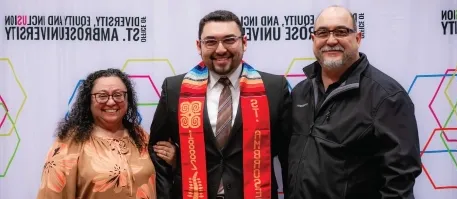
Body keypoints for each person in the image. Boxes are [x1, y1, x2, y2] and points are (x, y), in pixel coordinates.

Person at [148, 10, 291, 199]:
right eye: (211, 42)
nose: (221, 49)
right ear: (199, 46)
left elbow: (289, 154)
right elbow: (158, 149)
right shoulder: (175, 88)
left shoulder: (274, 88)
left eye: (229, 40)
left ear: (244, 42)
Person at [287, 5, 422, 199]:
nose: (331, 40)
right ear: (313, 39)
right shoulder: (301, 92)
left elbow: (399, 182)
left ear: (357, 39)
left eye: (341, 32)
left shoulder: (387, 96)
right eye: (323, 32)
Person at [36, 68, 176, 199]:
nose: (111, 101)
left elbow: (162, 180)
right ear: (88, 101)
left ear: (128, 99)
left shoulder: (140, 136)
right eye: (102, 96)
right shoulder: (70, 143)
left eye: (118, 95)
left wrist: (173, 161)